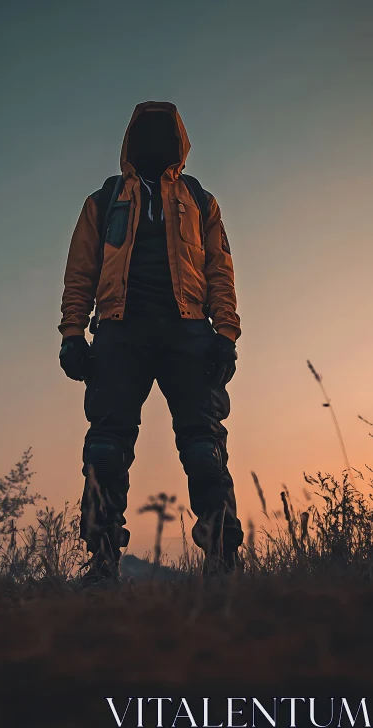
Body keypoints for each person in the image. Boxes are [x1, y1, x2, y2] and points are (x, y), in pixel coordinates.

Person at [58, 101, 243, 586]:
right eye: (146, 132)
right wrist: (73, 333)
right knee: (105, 448)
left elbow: (219, 271)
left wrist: (225, 333)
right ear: (130, 140)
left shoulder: (200, 200)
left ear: (179, 143)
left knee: (205, 447)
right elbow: (80, 271)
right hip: (119, 331)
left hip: (189, 331)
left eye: (165, 133)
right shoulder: (103, 200)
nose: (155, 142)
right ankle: (101, 564)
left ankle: (222, 562)